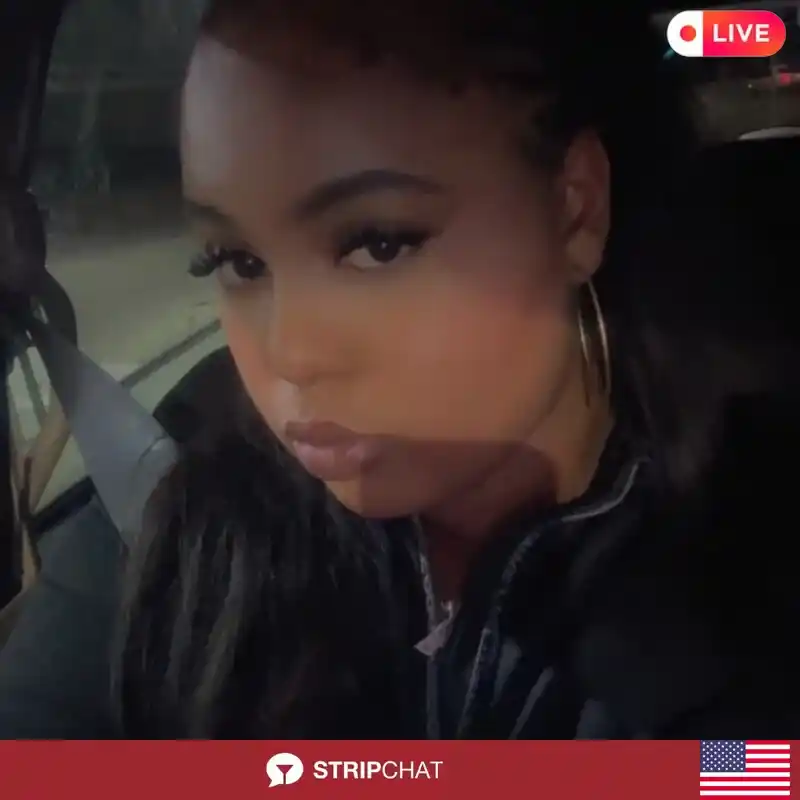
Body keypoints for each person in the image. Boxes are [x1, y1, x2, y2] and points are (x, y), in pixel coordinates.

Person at [1, 0, 799, 739]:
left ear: (574, 210)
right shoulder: (167, 506)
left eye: (378, 245)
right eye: (237, 260)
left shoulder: (747, 553)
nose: (292, 355)